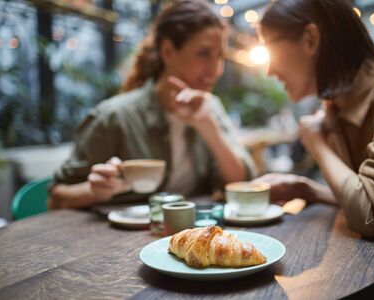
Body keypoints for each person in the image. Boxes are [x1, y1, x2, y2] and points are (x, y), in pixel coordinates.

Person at [253, 0, 374, 297]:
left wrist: (318, 145)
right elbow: (364, 197)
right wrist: (308, 190)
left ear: (310, 39)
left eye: (269, 47)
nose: (269, 70)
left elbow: (373, 214)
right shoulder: (336, 108)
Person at [48, 0, 255, 209]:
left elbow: (241, 184)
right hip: (119, 237)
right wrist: (93, 191)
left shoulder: (211, 107)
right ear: (168, 51)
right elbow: (55, 198)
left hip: (190, 235)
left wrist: (208, 127)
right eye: (204, 54)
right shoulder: (114, 117)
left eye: (220, 56)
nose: (216, 69)